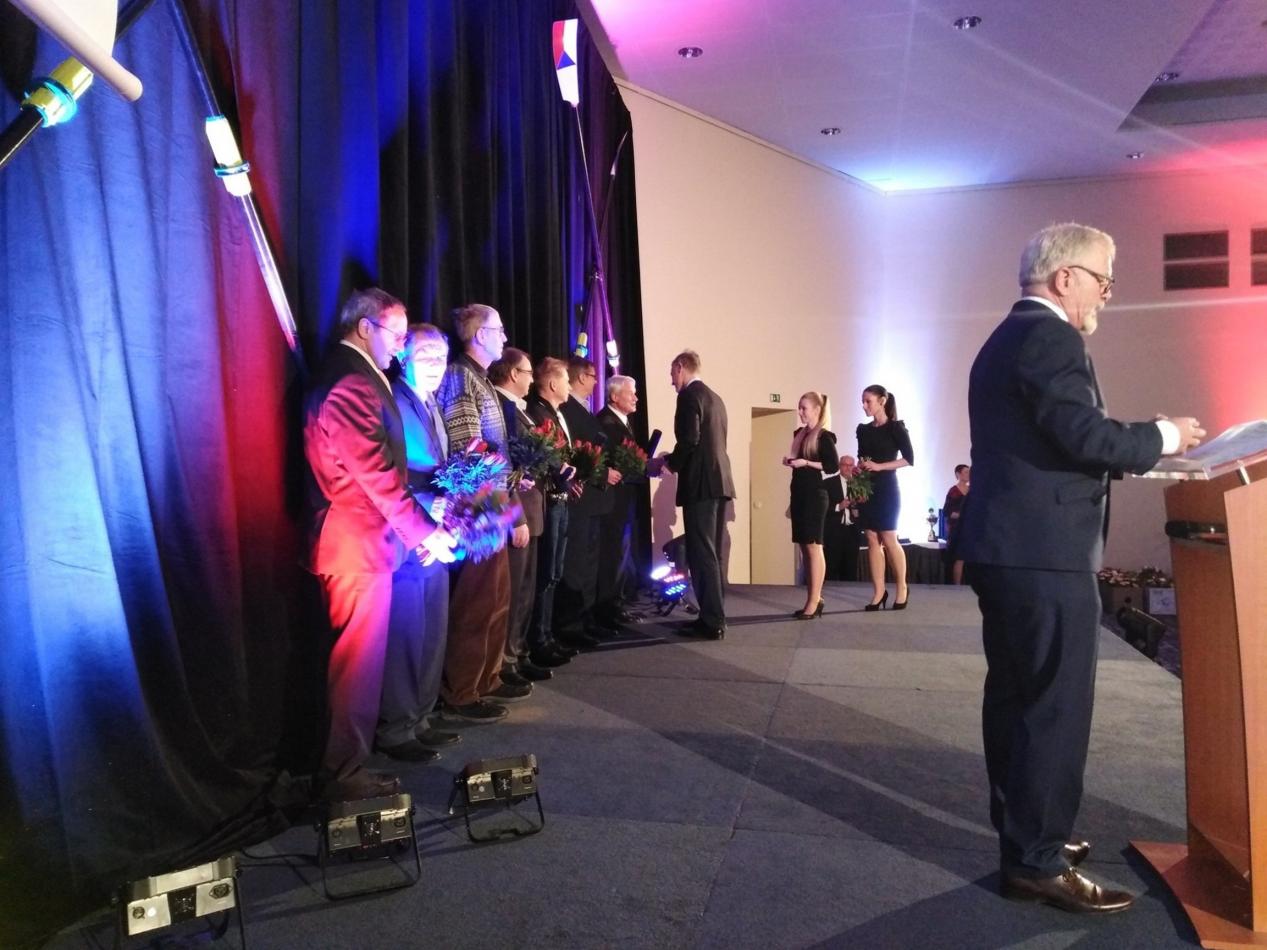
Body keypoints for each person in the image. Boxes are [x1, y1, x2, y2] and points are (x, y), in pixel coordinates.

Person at [960, 222, 1203, 913]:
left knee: (1017, 699)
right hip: (1044, 553)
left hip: (1011, 548)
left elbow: (1055, 439)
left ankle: (1027, 837)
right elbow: (1083, 436)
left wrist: (1135, 440)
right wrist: (1164, 435)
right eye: (1102, 279)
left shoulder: (1008, 336)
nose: (1107, 293)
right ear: (1064, 276)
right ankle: (1035, 859)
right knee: (1053, 707)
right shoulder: (1050, 337)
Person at [303, 288, 456, 801]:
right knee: (356, 670)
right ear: (365, 327)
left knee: (361, 669)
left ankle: (347, 766)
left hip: (365, 543)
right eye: (396, 334)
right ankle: (343, 775)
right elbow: (376, 475)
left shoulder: (360, 375)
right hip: (355, 547)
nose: (401, 345)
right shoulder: (351, 381)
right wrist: (426, 531)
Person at [376, 322, 463, 764]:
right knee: (408, 635)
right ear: (403, 357)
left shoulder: (430, 401)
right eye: (425, 356)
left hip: (438, 530)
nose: (435, 365)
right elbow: (390, 474)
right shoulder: (393, 398)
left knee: (432, 630)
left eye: (441, 358)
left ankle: (422, 716)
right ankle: (397, 727)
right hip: (408, 534)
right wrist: (429, 511)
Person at [435, 303, 525, 724]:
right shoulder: (459, 375)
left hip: (492, 500)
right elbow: (467, 446)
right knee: (476, 601)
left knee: (497, 598)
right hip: (477, 504)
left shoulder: (480, 377)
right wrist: (492, 504)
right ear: (480, 334)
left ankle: (487, 678)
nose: (504, 337)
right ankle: (463, 690)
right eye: (499, 329)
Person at [648, 350, 735, 640]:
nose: (671, 381)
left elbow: (690, 440)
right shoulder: (715, 398)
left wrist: (669, 465)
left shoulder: (688, 396)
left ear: (681, 367)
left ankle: (711, 621)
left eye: (672, 374)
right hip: (720, 482)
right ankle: (714, 615)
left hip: (700, 484)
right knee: (712, 553)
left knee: (701, 553)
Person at [489, 348, 553, 684]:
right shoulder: (503, 408)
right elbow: (504, 464)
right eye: (528, 372)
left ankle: (518, 651)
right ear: (513, 374)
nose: (532, 379)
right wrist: (515, 514)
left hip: (531, 509)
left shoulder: (519, 409)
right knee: (513, 594)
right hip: (517, 511)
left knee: (527, 590)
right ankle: (506, 660)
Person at [557, 356, 622, 647]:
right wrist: (601, 472)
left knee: (588, 566)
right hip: (580, 498)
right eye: (594, 376)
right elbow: (575, 453)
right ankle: (571, 626)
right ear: (582, 377)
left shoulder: (582, 409)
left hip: (593, 500)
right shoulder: (567, 409)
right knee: (575, 566)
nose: (597, 382)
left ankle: (585, 620)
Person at [525, 357, 580, 668]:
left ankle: (546, 635)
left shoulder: (554, 414)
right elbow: (544, 458)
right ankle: (538, 639)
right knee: (546, 573)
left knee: (554, 572)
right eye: (566, 380)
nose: (570, 385)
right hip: (548, 501)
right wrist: (562, 474)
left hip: (560, 499)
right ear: (552, 383)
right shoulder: (537, 413)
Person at [855, 384, 914, 610]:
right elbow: (862, 458)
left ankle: (902, 587)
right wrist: (858, 472)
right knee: (871, 538)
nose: (864, 405)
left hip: (887, 488)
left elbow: (908, 459)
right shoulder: (863, 430)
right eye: (863, 401)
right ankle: (879, 591)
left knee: (889, 538)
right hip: (868, 488)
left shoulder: (896, 428)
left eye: (868, 401)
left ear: (882, 401)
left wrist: (879, 466)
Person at [782, 392, 839, 619]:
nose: (800, 412)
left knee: (814, 547)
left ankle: (814, 600)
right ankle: (814, 598)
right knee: (805, 547)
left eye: (804, 408)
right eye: (799, 407)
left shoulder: (824, 437)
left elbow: (832, 466)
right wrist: (791, 462)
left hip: (815, 495)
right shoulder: (800, 434)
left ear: (817, 410)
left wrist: (806, 462)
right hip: (800, 493)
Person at [595, 374, 642, 625]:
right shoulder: (606, 423)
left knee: (621, 555)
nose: (636, 398)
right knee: (612, 555)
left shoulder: (621, 422)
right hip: (611, 503)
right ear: (614, 396)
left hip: (623, 502)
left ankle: (615, 604)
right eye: (630, 393)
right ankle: (607, 609)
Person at [942, 464, 970, 584]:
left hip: (971, 528)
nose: (968, 474)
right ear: (958, 474)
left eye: (969, 472)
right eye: (966, 472)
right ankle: (957, 586)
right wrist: (962, 516)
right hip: (957, 529)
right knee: (959, 558)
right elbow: (947, 512)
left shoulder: (972, 490)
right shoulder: (953, 491)